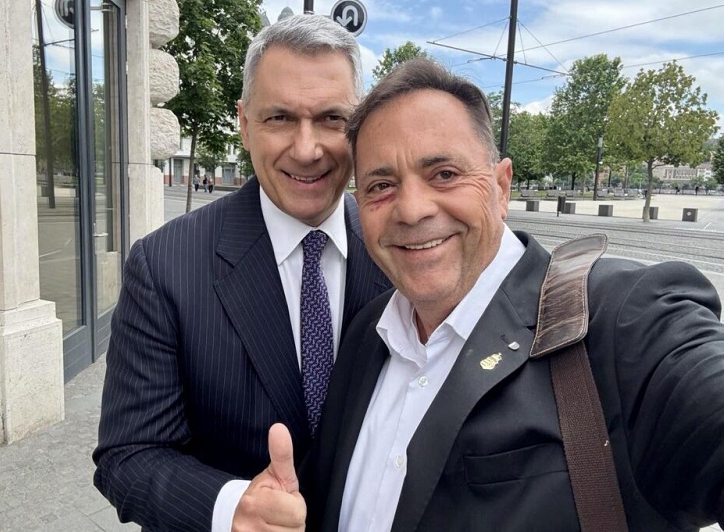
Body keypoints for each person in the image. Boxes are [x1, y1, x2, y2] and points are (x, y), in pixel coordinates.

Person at [301, 58, 724, 531]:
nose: (412, 210)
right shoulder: (367, 334)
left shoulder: (620, 317)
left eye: (444, 174)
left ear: (501, 188)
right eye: (381, 185)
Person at [92, 14, 391, 532]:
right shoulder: (163, 266)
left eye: (331, 118)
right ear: (245, 124)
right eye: (280, 118)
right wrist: (234, 508)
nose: (306, 149)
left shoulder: (399, 251)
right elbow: (128, 455)